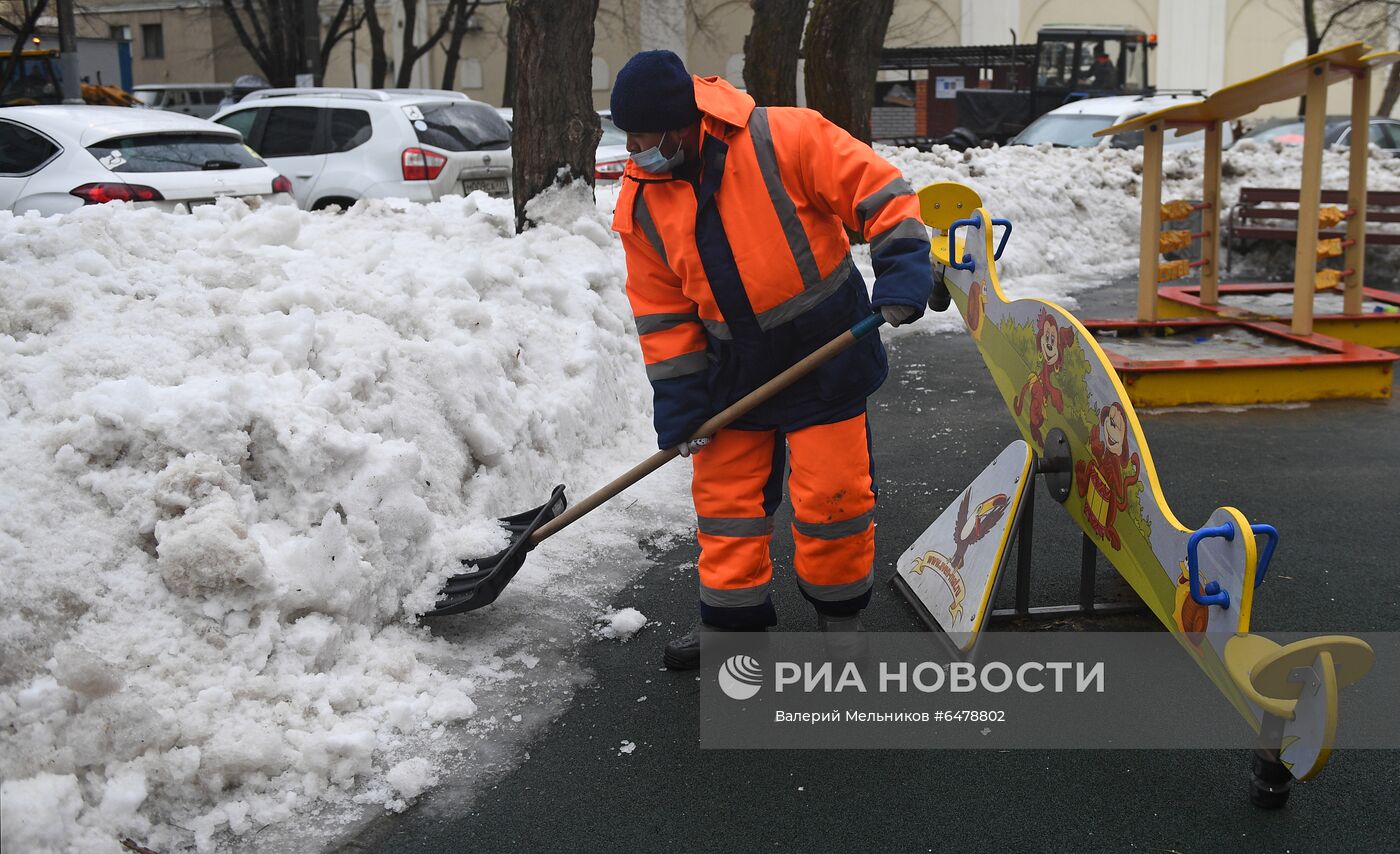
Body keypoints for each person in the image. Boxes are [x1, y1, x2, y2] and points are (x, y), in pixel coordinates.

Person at [607, 50, 934, 670]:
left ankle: (841, 621)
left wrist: (901, 270)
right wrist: (680, 399)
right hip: (732, 367)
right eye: (629, 136)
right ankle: (731, 630)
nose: (634, 149)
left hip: (826, 347)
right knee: (726, 505)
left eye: (644, 136)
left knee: (833, 496)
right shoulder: (642, 199)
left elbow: (881, 194)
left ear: (680, 125)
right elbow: (661, 310)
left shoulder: (784, 135)